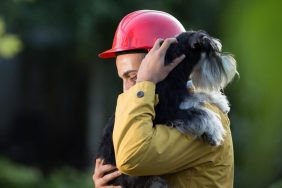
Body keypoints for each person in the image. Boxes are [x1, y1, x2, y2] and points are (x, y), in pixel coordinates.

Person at [93, 10, 234, 188]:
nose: (128, 89)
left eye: (135, 76)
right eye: (123, 78)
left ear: (168, 64)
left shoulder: (205, 117)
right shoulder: (150, 112)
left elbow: (131, 157)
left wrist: (145, 83)